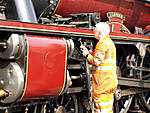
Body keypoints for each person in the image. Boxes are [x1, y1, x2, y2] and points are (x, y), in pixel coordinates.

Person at [80, 22, 118, 113]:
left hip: (102, 82)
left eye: (95, 31)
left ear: (100, 33)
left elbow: (96, 61)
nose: (94, 33)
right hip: (108, 80)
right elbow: (101, 57)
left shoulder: (102, 44)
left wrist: (87, 55)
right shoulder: (109, 42)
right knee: (107, 107)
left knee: (101, 108)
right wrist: (89, 52)